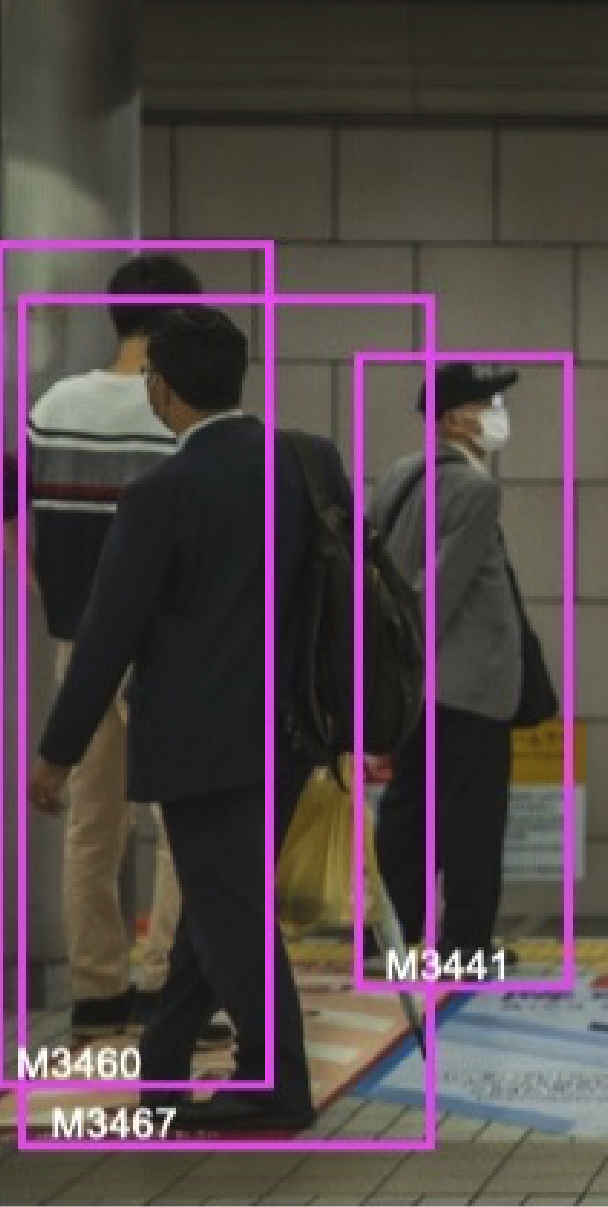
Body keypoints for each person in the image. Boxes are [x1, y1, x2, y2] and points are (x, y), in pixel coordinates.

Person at [31, 306, 337, 1132]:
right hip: (291, 733)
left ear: (160, 389)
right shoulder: (305, 465)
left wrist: (57, 751)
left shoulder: (162, 492)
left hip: (203, 746)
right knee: (216, 906)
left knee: (231, 916)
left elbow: (105, 636)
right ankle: (162, 1074)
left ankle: (276, 1088)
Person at [26, 254, 200, 1038]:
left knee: (91, 827)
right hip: (167, 652)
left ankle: (97, 994)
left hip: (78, 644)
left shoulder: (51, 406)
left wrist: (62, 607)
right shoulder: (178, 414)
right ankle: (170, 982)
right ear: (173, 325)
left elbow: (25, 530)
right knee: (182, 825)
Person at [374, 363, 526, 966]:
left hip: (418, 688)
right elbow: (437, 591)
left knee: (409, 812)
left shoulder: (397, 478)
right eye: (485, 402)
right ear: (452, 418)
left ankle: (391, 936)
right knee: (471, 819)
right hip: (467, 685)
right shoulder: (474, 489)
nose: (494, 412)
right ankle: (465, 943)